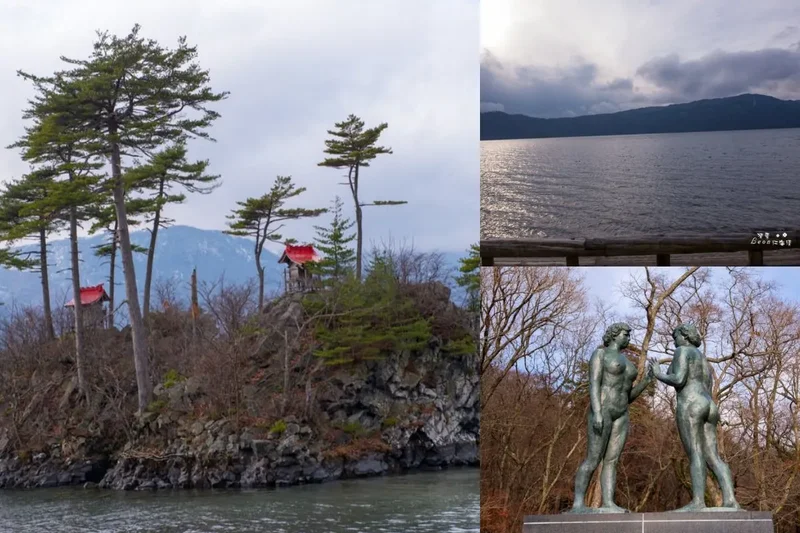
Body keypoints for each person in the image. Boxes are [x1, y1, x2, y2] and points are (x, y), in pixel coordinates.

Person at [650, 324, 740, 511]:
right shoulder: (703, 359)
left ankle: (698, 502)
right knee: (713, 457)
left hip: (691, 404)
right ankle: (730, 500)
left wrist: (658, 373)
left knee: (695, 453)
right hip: (709, 405)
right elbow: (705, 383)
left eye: (676, 338)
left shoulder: (682, 351)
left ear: (685, 337)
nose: (674, 342)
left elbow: (679, 379)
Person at [570, 322, 654, 513]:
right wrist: (597, 411)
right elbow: (594, 384)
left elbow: (629, 395)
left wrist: (647, 381)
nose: (629, 338)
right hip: (603, 410)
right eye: (626, 334)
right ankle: (578, 504)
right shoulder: (600, 354)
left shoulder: (629, 364)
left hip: (622, 413)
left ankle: (608, 503)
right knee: (593, 459)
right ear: (614, 335)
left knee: (611, 461)